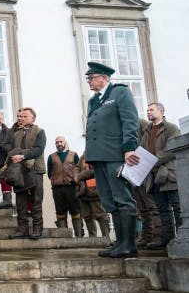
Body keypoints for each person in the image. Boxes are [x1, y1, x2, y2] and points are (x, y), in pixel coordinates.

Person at [84, 61, 140, 258]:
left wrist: (129, 148)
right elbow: (92, 128)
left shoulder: (120, 93)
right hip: (99, 157)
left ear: (104, 77)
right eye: (88, 78)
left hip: (115, 154)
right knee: (108, 199)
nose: (89, 81)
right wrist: (89, 155)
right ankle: (120, 242)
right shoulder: (93, 100)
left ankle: (129, 244)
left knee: (122, 197)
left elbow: (130, 121)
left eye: (92, 77)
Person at [140, 102, 181, 250]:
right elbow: (142, 153)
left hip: (169, 174)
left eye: (151, 110)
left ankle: (182, 239)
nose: (148, 112)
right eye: (147, 110)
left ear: (161, 111)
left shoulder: (171, 128)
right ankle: (167, 240)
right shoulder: (147, 131)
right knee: (162, 209)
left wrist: (153, 159)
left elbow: (172, 149)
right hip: (153, 176)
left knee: (177, 208)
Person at [8, 107, 46, 240]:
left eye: (25, 116)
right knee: (20, 202)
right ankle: (22, 229)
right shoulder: (16, 134)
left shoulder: (39, 132)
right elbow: (12, 150)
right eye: (21, 116)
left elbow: (38, 150)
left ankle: (37, 229)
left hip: (35, 170)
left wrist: (22, 156)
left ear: (33, 118)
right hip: (19, 171)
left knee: (36, 201)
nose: (22, 118)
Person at [133, 118, 162, 249]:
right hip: (133, 169)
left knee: (151, 205)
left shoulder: (141, 122)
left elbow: (150, 142)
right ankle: (146, 237)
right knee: (142, 207)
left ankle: (157, 236)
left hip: (144, 167)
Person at [47, 136, 82, 237]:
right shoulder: (51, 157)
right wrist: (55, 180)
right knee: (60, 212)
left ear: (65, 142)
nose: (59, 144)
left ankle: (79, 236)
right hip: (57, 189)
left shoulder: (73, 154)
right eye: (57, 142)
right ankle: (64, 236)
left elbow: (78, 169)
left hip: (72, 187)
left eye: (61, 142)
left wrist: (75, 180)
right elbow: (50, 173)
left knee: (75, 210)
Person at [75, 153, 110, 239]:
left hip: (95, 192)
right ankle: (92, 238)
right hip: (83, 193)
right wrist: (76, 177)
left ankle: (106, 238)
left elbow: (95, 171)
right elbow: (76, 168)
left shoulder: (98, 155)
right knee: (87, 216)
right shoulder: (83, 156)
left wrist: (79, 176)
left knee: (101, 215)